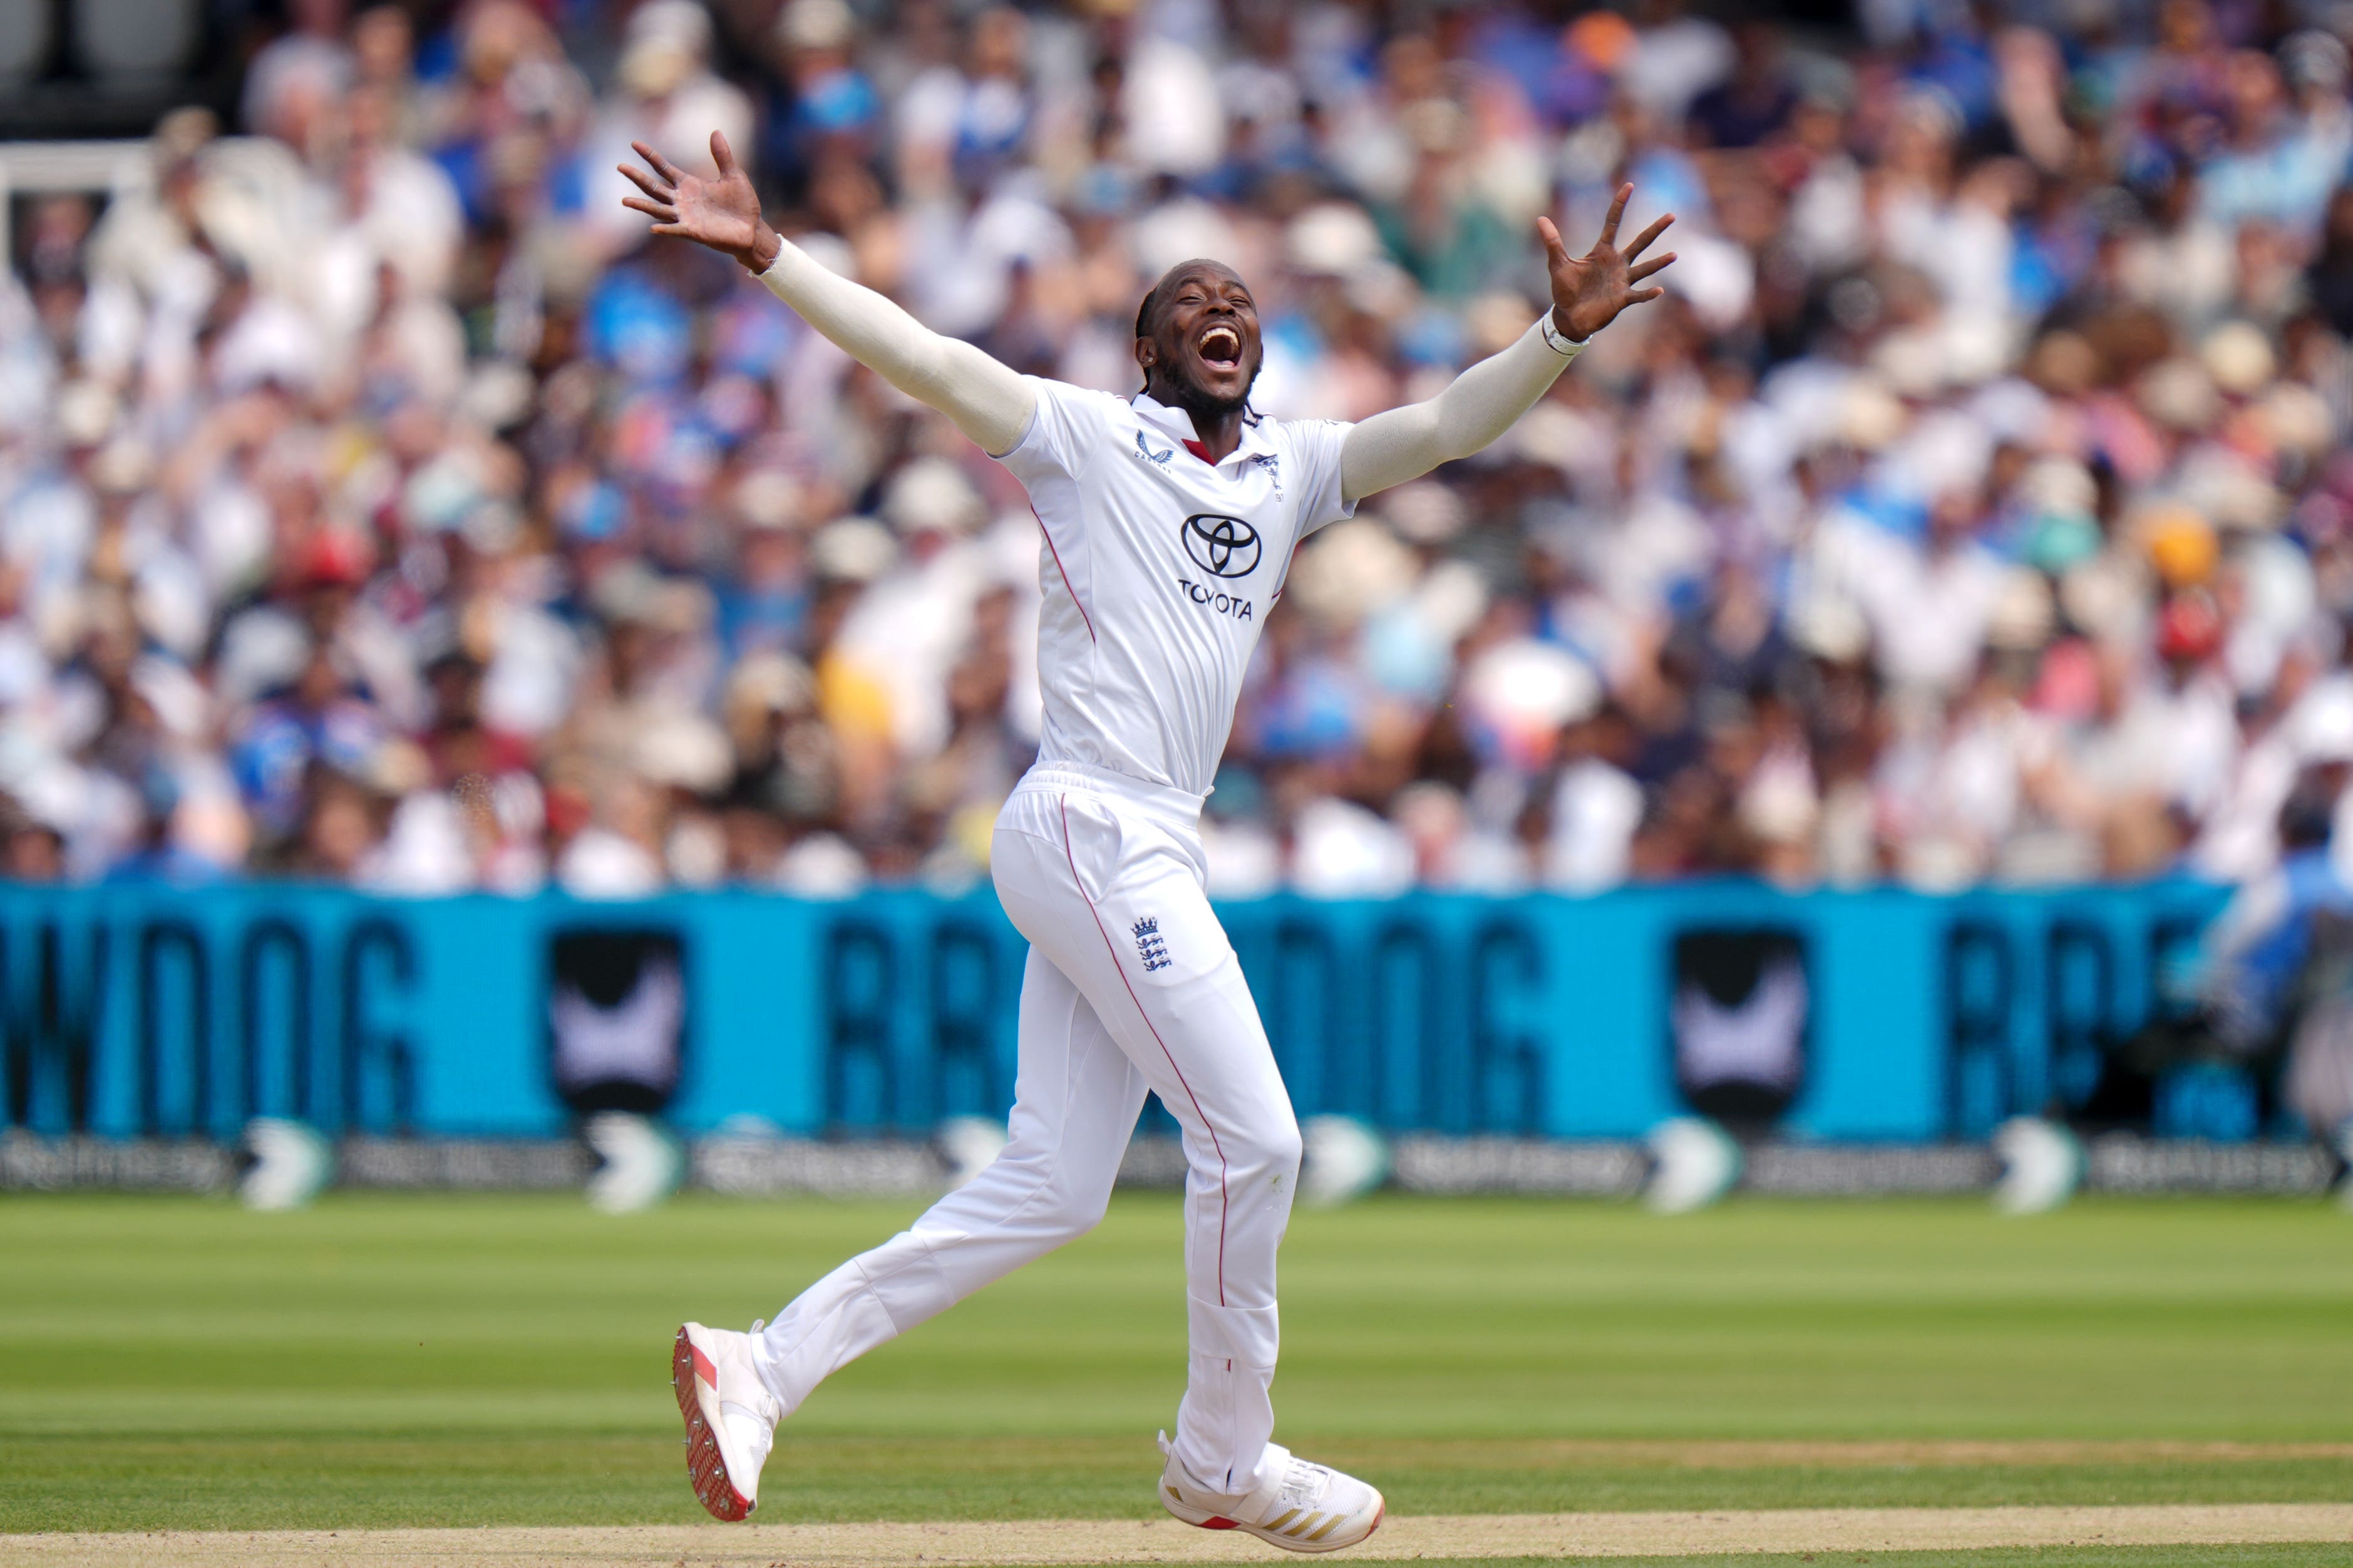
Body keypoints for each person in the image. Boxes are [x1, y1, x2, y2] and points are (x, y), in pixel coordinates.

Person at [620, 130, 1672, 1548]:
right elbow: (923, 357)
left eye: (1235, 297)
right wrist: (768, 254)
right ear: (1146, 350)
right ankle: (1222, 1461)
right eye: (1187, 301)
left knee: (1054, 1186)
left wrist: (1555, 338)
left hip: (1142, 839)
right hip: (1091, 816)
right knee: (1259, 1142)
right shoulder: (1084, 438)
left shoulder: (1292, 468)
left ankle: (760, 1362)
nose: (1217, 307)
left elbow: (1440, 428)